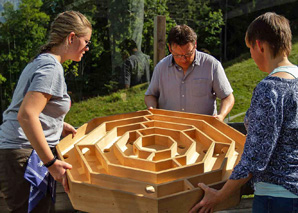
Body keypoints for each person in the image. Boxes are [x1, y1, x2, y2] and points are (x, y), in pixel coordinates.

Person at [190, 12, 298, 213]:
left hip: (276, 198)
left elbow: (255, 156)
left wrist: (220, 195)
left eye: (250, 48)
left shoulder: (271, 88)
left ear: (260, 46)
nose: (251, 54)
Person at [0, 11, 92, 212]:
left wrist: (58, 126)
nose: (87, 48)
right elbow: (26, 115)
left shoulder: (43, 61)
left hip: (21, 153)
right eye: (86, 41)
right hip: (24, 155)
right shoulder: (51, 68)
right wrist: (50, 163)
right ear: (71, 37)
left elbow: (34, 111)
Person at [144, 24, 234, 122]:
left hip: (203, 131)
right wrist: (152, 108)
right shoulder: (161, 67)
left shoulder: (211, 65)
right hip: (169, 129)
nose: (183, 59)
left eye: (188, 54)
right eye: (178, 55)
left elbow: (227, 97)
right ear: (170, 49)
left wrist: (221, 116)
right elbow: (150, 95)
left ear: (195, 45)